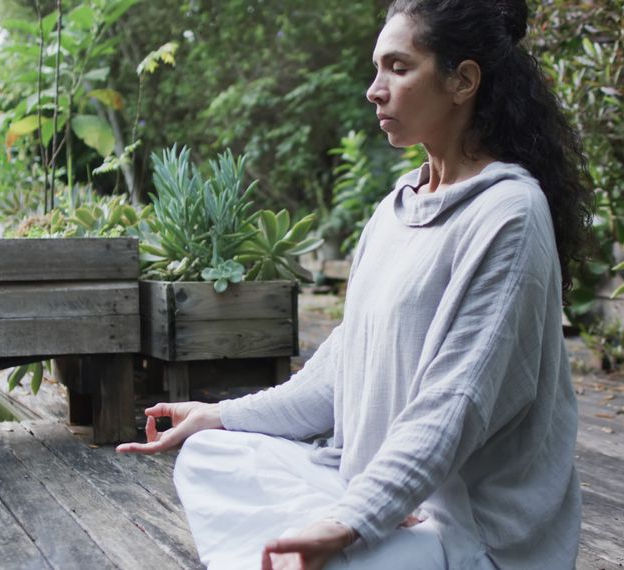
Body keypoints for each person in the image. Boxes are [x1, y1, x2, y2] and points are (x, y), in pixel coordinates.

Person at [117, 0, 593, 568]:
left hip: (462, 528)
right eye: (376, 69)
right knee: (210, 453)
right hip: (371, 490)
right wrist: (220, 415)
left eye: (398, 67)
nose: (374, 88)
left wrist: (350, 523)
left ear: (462, 80)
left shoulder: (509, 214)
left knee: (325, 552)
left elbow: (453, 406)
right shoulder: (396, 209)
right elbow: (341, 369)